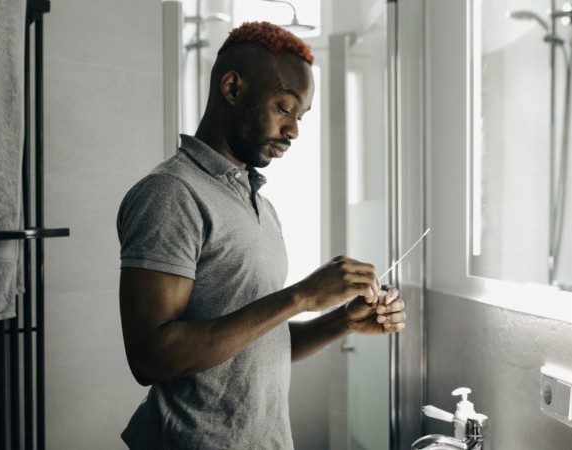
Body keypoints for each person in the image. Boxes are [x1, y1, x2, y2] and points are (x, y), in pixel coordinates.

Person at [116, 21, 406, 449]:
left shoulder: (260, 206)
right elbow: (150, 358)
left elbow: (256, 347)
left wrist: (342, 321)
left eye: (301, 117)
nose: (294, 131)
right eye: (285, 107)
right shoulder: (172, 194)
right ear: (232, 88)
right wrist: (301, 296)